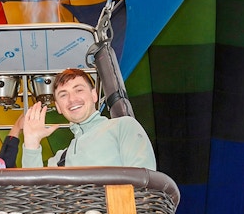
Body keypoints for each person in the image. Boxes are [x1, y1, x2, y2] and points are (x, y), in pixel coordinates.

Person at [20, 68, 157, 171]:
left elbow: (144, 182)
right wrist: (31, 144)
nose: (72, 99)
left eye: (79, 90)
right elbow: (35, 196)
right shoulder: (60, 159)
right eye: (63, 95)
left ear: (94, 95)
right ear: (58, 107)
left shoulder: (123, 127)